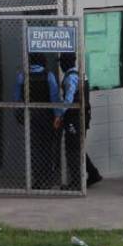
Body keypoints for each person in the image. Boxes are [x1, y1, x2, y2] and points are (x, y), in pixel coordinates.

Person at [53, 53, 102, 189]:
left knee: (72, 150)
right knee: (78, 147)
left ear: (65, 63)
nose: (60, 66)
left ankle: (76, 183)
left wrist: (59, 115)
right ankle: (93, 173)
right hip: (83, 115)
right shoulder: (81, 74)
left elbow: (68, 100)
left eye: (61, 63)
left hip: (74, 118)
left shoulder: (70, 78)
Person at [13, 54, 61, 189]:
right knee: (47, 147)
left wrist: (18, 114)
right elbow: (54, 97)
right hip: (46, 114)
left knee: (34, 148)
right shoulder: (49, 75)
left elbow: (16, 97)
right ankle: (48, 179)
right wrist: (57, 115)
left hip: (30, 114)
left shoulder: (22, 76)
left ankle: (37, 180)